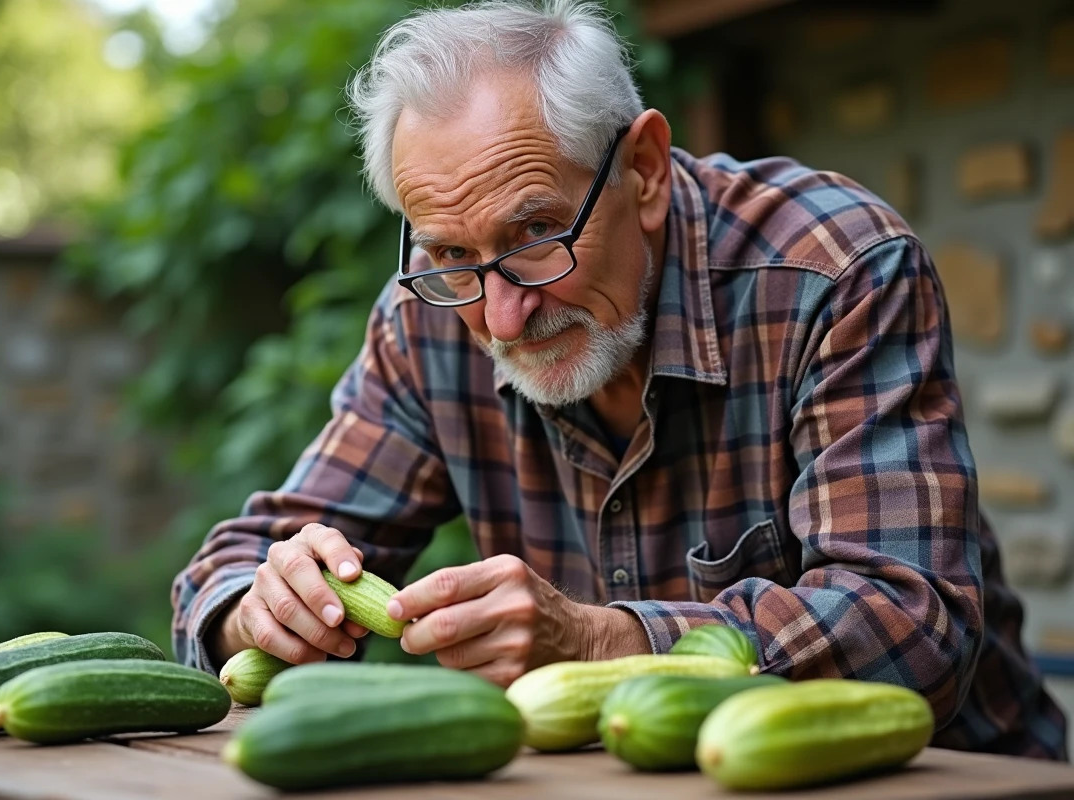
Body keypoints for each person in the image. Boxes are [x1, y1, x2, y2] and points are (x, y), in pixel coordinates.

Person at [172, 0, 1067, 759]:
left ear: (642, 169)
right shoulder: (431, 316)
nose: (502, 317)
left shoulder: (834, 272)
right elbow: (229, 567)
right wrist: (255, 612)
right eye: (449, 254)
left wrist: (603, 640)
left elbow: (912, 628)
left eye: (534, 239)